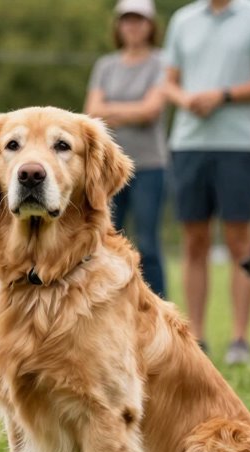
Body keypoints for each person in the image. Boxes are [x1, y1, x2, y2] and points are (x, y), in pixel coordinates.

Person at [161, 0, 250, 364]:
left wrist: (222, 95)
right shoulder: (183, 20)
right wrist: (183, 98)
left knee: (240, 243)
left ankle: (240, 340)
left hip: (238, 145)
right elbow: (168, 83)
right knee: (194, 243)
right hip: (188, 145)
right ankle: (196, 340)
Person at [85, 0, 169, 298]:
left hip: (148, 166)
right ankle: (108, 302)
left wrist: (111, 111)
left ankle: (157, 307)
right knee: (103, 240)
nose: (133, 26)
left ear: (150, 25)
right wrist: (129, 110)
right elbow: (91, 113)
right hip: (106, 169)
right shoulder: (106, 66)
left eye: (139, 20)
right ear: (119, 25)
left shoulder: (161, 62)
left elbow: (151, 111)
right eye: (127, 20)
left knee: (147, 244)